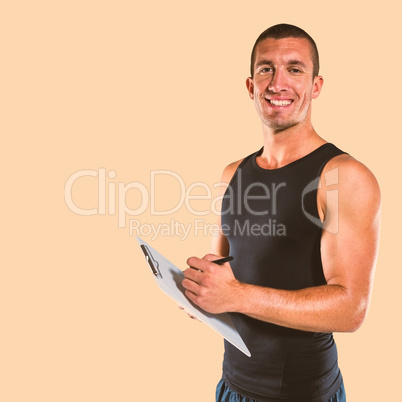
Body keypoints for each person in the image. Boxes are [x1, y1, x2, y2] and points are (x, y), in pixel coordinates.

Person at [182, 23, 381, 401]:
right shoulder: (232, 173)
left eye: (294, 69)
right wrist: (202, 292)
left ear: (316, 86)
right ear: (250, 86)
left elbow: (351, 308)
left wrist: (235, 295)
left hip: (302, 393)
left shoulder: (343, 176)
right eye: (266, 69)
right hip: (232, 387)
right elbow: (229, 274)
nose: (278, 83)